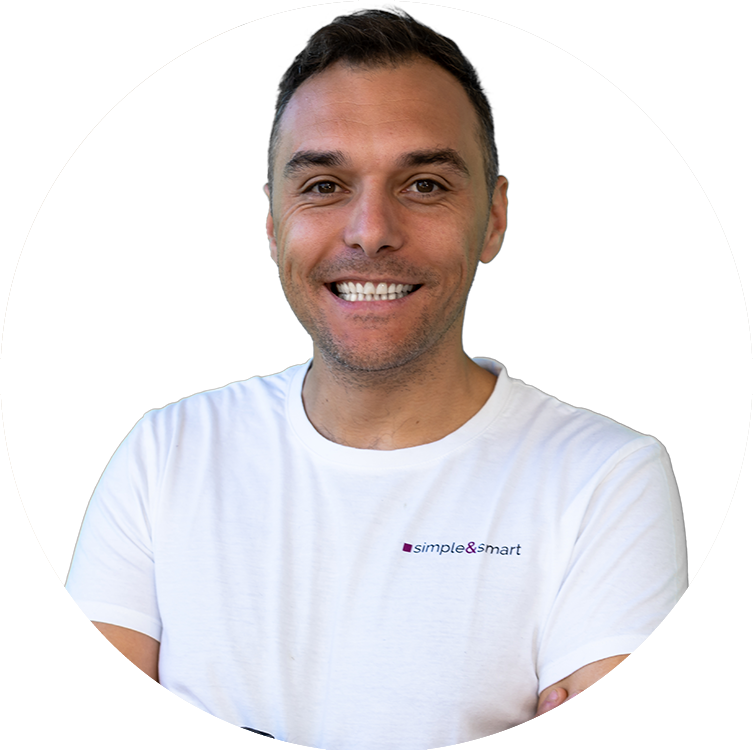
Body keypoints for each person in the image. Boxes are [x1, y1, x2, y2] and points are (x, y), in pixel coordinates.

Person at [65, 8, 688, 748]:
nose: (370, 231)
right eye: (324, 184)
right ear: (273, 224)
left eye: (423, 184)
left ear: (493, 218)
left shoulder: (606, 479)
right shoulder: (165, 454)